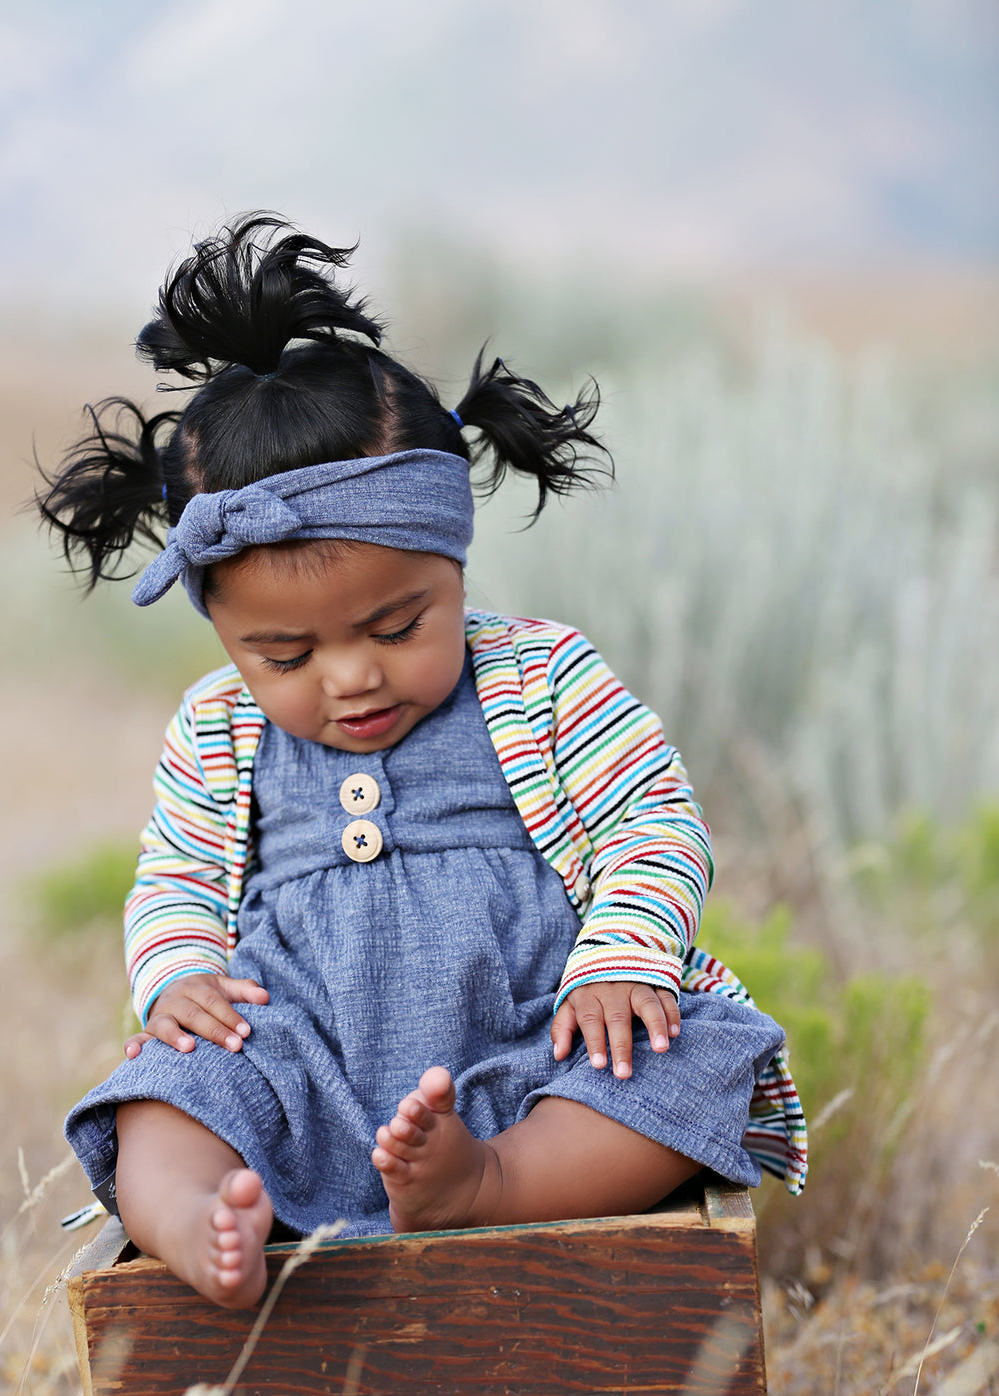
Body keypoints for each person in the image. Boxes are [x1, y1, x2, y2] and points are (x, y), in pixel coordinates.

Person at [40, 214, 807, 1312]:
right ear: (223, 634)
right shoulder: (215, 726)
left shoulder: (539, 674)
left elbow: (652, 819)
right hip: (302, 1053)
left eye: (398, 628)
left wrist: (625, 958)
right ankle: (206, 1221)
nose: (350, 677)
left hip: (539, 1026)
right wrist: (177, 977)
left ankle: (492, 1185)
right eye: (287, 654)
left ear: (451, 562)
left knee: (670, 1073)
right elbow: (174, 876)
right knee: (160, 1101)